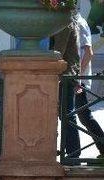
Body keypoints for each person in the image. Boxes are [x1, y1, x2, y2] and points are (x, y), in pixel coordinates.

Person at [51, 13, 82, 158]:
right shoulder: (66, 21)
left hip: (65, 75)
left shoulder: (64, 24)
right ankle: (68, 150)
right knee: (65, 114)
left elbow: (58, 52)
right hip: (67, 74)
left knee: (67, 114)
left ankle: (73, 152)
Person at [76, 12, 104, 158]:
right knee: (81, 115)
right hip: (76, 78)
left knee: (83, 115)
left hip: (78, 79)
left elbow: (89, 52)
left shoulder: (79, 23)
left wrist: (78, 76)